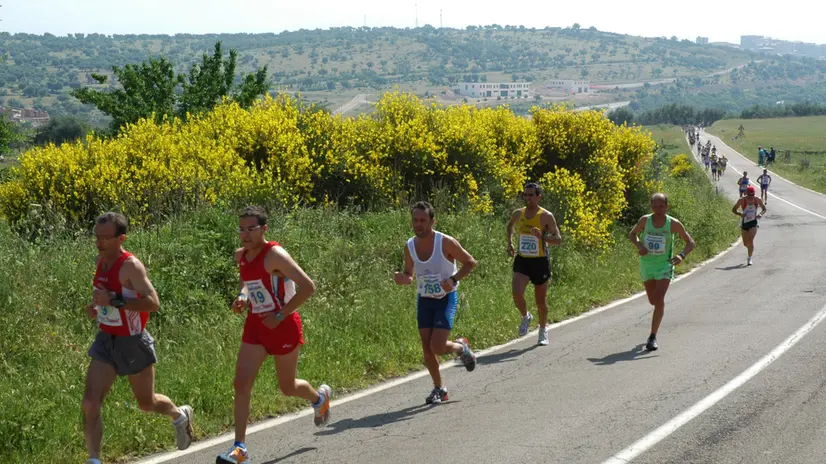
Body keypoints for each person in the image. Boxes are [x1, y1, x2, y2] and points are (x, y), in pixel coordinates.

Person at [218, 206, 331, 464]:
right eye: (241, 229)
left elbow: (308, 287)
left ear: (264, 229)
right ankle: (240, 448)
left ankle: (319, 398)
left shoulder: (275, 255)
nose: (245, 235)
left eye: (251, 229)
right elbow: (247, 281)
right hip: (256, 325)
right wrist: (242, 297)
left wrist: (279, 315)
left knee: (287, 387)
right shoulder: (243, 255)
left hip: (283, 325)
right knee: (241, 383)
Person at [84, 212, 193, 464]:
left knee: (146, 403)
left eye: (105, 238)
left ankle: (179, 415)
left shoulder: (130, 265)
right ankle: (94, 459)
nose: (99, 243)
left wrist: (113, 301)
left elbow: (153, 303)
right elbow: (104, 298)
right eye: (96, 237)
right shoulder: (101, 262)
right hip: (106, 340)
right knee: (90, 403)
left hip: (132, 341)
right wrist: (96, 308)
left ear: (121, 238)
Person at [394, 201, 478, 404]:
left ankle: (460, 348)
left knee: (438, 346)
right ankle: (439, 388)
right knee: (427, 348)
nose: (419, 224)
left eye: (423, 220)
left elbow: (470, 262)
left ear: (432, 221)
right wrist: (404, 278)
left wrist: (453, 279)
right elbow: (409, 273)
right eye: (415, 220)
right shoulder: (410, 246)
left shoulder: (445, 242)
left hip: (445, 299)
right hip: (425, 300)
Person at [628, 193, 696, 351]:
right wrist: (639, 246)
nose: (658, 209)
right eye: (655, 206)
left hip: (665, 266)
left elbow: (690, 242)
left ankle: (652, 337)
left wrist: (681, 255)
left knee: (658, 299)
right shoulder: (645, 220)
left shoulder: (673, 224)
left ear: (667, 207)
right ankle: (656, 321)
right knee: (653, 300)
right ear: (651, 207)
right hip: (647, 265)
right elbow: (632, 234)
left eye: (661, 206)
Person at [506, 183, 563, 345]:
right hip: (523, 260)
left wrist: (542, 238)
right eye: (525, 195)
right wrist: (509, 243)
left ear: (539, 196)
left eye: (531, 195)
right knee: (516, 293)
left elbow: (558, 239)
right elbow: (510, 226)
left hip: (539, 262)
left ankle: (543, 330)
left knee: (540, 301)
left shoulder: (546, 216)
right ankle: (526, 316)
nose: (528, 198)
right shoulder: (519, 213)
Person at [732, 186, 767, 266]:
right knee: (745, 243)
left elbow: (764, 209)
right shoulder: (742, 200)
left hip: (753, 222)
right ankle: (750, 249)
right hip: (744, 223)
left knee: (751, 240)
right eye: (749, 195)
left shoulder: (757, 200)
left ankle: (749, 258)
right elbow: (733, 209)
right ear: (746, 194)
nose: (751, 197)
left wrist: (760, 214)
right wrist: (740, 214)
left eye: (752, 195)